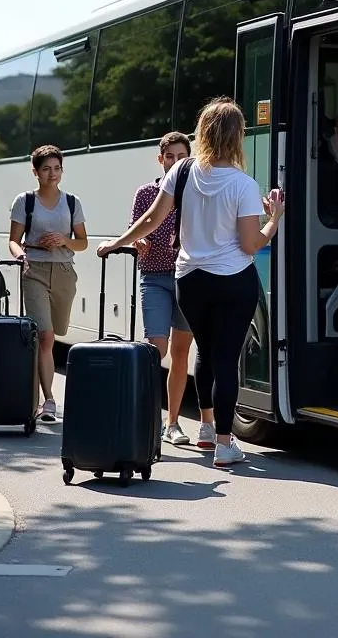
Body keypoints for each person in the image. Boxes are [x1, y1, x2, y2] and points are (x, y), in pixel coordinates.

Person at [98, 97, 284, 468]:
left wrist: (116, 243)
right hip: (233, 281)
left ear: (202, 133)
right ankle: (225, 445)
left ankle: (205, 427)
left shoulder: (181, 170)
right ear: (238, 136)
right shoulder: (244, 184)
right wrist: (274, 218)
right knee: (226, 358)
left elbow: (152, 219)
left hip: (190, 281)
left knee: (205, 351)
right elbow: (251, 244)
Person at [9, 144, 88, 422]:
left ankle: (39, 390)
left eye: (56, 168)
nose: (52, 174)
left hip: (64, 270)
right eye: (46, 169)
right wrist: (21, 257)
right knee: (45, 336)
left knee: (58, 331)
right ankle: (49, 400)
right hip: (35, 270)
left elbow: (83, 243)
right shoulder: (25, 201)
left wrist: (64, 240)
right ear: (36, 172)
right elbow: (13, 241)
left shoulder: (71, 202)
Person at [129, 131, 194, 446]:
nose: (176, 162)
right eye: (170, 157)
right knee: (157, 349)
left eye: (182, 157)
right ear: (161, 159)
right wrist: (138, 239)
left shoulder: (196, 191)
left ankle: (172, 424)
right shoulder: (146, 192)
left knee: (181, 353)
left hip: (187, 278)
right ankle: (150, 419)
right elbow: (135, 229)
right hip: (154, 277)